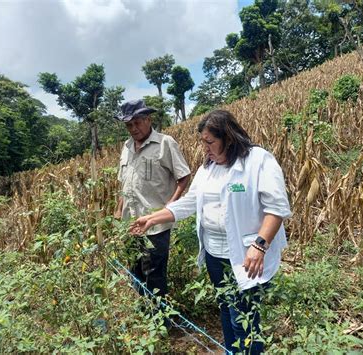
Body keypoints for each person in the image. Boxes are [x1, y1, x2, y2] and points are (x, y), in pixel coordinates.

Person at [130, 109, 291, 354]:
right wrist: (152, 218)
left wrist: (260, 245)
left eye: (210, 142)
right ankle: (231, 351)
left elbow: (276, 208)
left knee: (244, 317)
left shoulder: (258, 161)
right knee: (226, 309)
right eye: (202, 142)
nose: (205, 148)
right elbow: (189, 202)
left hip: (247, 256)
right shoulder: (209, 167)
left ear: (229, 138)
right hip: (215, 256)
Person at [114, 99, 191, 298]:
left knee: (154, 274)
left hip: (154, 224)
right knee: (135, 269)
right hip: (129, 223)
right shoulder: (126, 146)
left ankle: (159, 321)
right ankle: (144, 314)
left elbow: (183, 176)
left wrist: (170, 206)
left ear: (148, 119)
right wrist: (118, 210)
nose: (133, 128)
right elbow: (125, 184)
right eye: (129, 125)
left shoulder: (165, 143)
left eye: (137, 122)